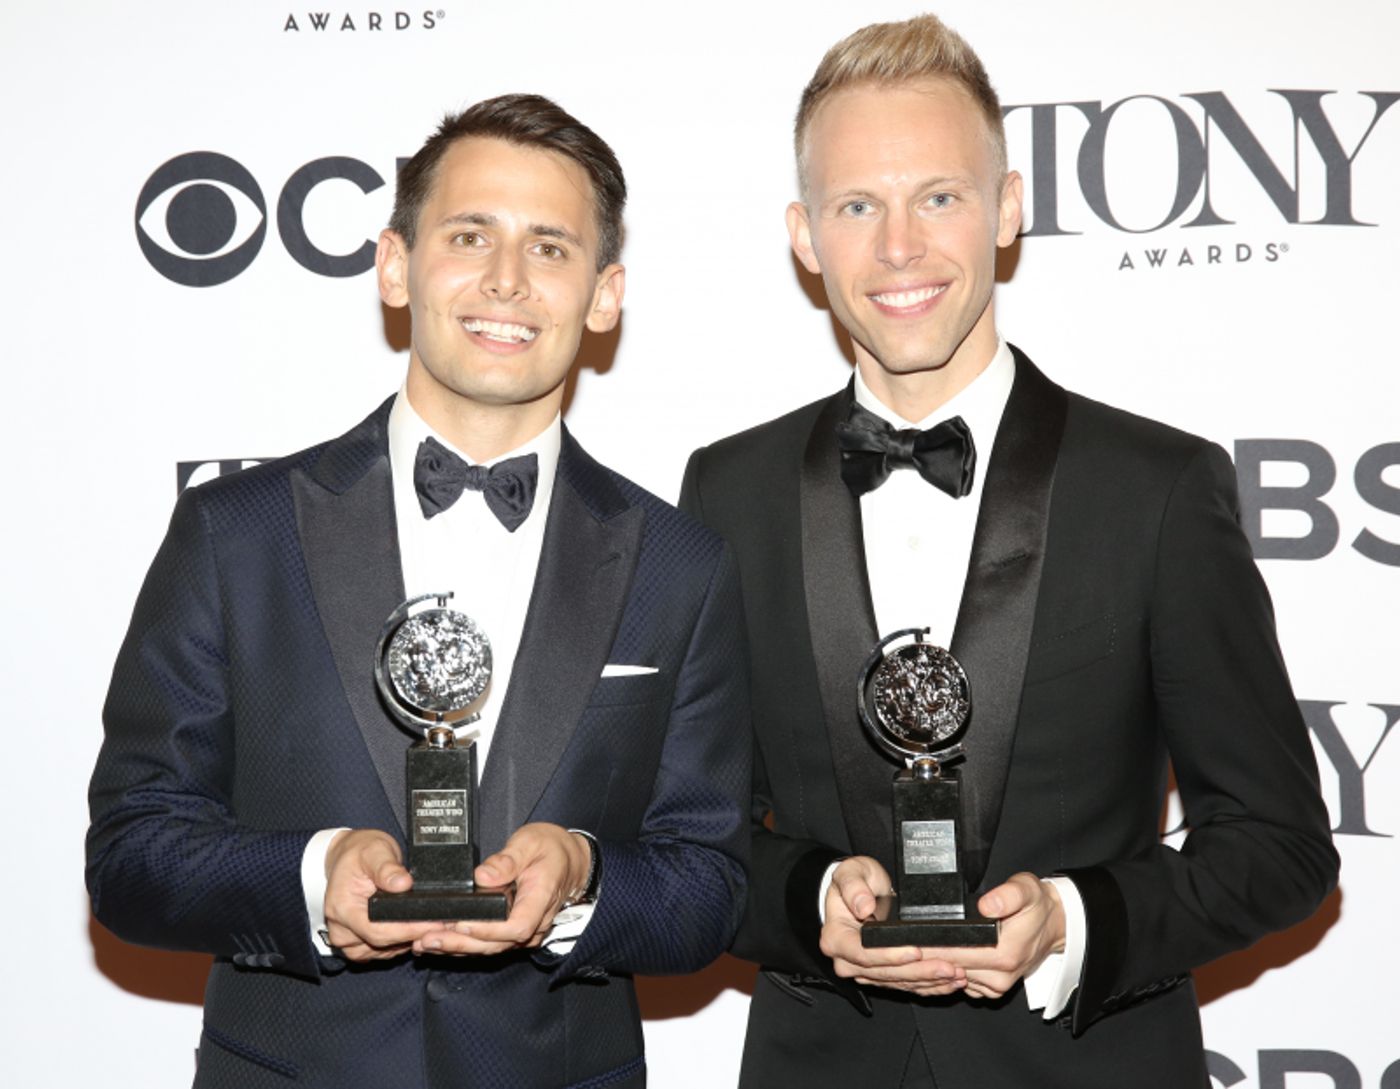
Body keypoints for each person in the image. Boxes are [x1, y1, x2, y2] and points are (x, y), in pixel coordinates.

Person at [680, 14, 1337, 1088]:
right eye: (857, 206)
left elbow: (1277, 844)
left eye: (937, 196)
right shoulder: (728, 488)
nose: (899, 246)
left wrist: (1072, 922)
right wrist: (806, 903)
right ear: (804, 237)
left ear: (1008, 209)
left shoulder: (1156, 489)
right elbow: (689, 840)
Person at [87, 93, 749, 1089]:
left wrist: (580, 880)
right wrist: (312, 880)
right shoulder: (235, 533)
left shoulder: (680, 564)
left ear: (603, 295)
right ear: (394, 265)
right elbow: (133, 854)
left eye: (551, 248)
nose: (506, 282)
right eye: (469, 235)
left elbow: (711, 885)